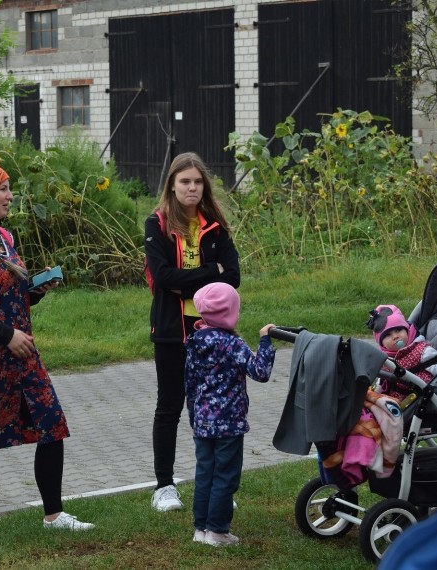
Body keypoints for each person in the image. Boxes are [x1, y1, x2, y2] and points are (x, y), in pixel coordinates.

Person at [0, 162, 94, 537]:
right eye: (3, 190)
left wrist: (35, 291)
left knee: (51, 425)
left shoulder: (4, 239)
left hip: (21, 352)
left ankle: (54, 515)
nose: (10, 196)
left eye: (9, 189)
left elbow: (8, 296)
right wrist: (6, 335)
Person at [144, 152, 240, 511]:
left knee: (209, 408)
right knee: (170, 406)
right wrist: (209, 272)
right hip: (171, 329)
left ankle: (213, 489)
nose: (192, 188)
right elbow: (163, 276)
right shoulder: (156, 224)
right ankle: (164, 486)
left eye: (198, 182)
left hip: (212, 333)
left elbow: (232, 277)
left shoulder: (215, 226)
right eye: (185, 181)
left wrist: (193, 280)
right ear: (172, 184)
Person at [184, 282, 276, 547]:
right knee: (225, 476)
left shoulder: (194, 340)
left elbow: (189, 382)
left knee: (205, 474)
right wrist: (265, 341)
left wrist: (193, 415)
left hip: (202, 422)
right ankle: (217, 531)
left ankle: (200, 528)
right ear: (230, 312)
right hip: (228, 424)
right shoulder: (231, 343)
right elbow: (260, 372)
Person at [366, 304, 437, 401]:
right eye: (388, 335)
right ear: (382, 343)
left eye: (398, 330)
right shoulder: (385, 358)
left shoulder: (421, 350)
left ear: (407, 330)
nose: (395, 336)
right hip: (395, 402)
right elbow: (382, 380)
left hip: (421, 400)